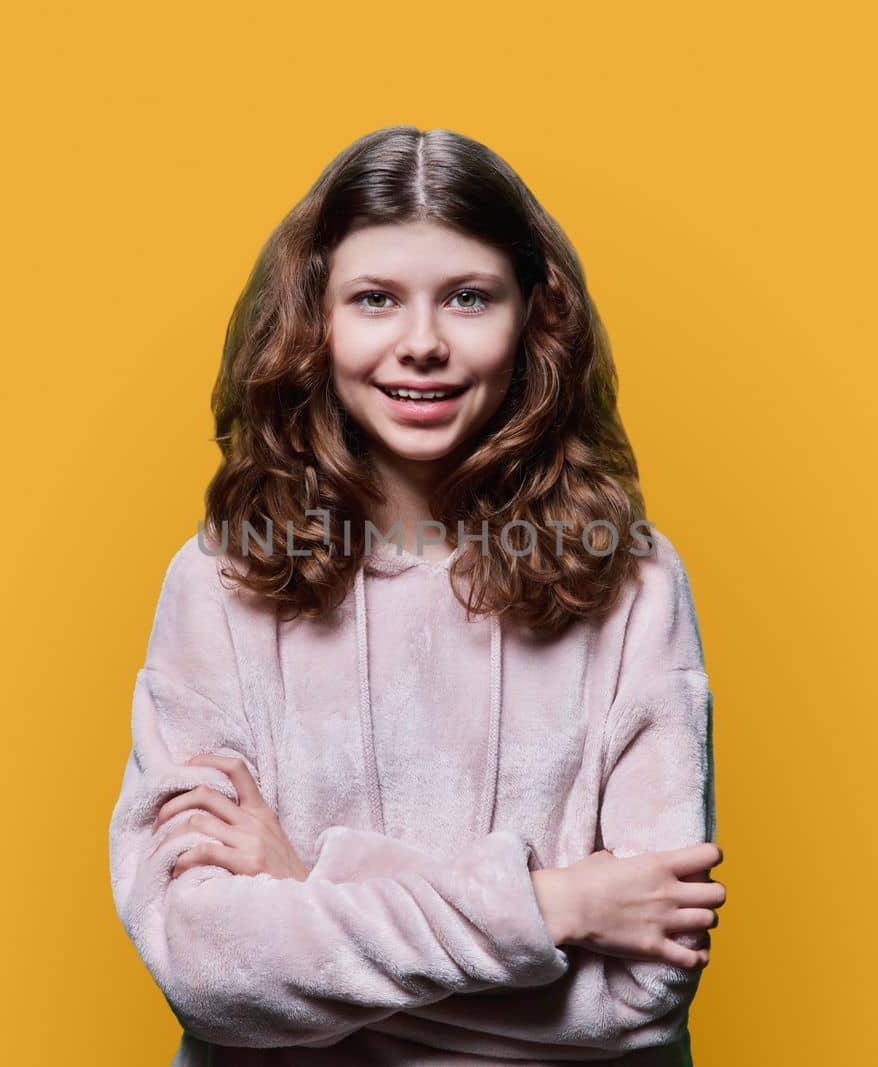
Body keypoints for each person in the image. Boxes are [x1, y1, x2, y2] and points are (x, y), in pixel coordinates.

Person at [108, 125, 727, 1065]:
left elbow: (638, 997)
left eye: (469, 298)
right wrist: (554, 907)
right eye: (375, 300)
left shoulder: (633, 580)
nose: (423, 343)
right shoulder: (220, 581)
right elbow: (204, 967)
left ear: (533, 321)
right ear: (317, 321)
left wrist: (313, 886)